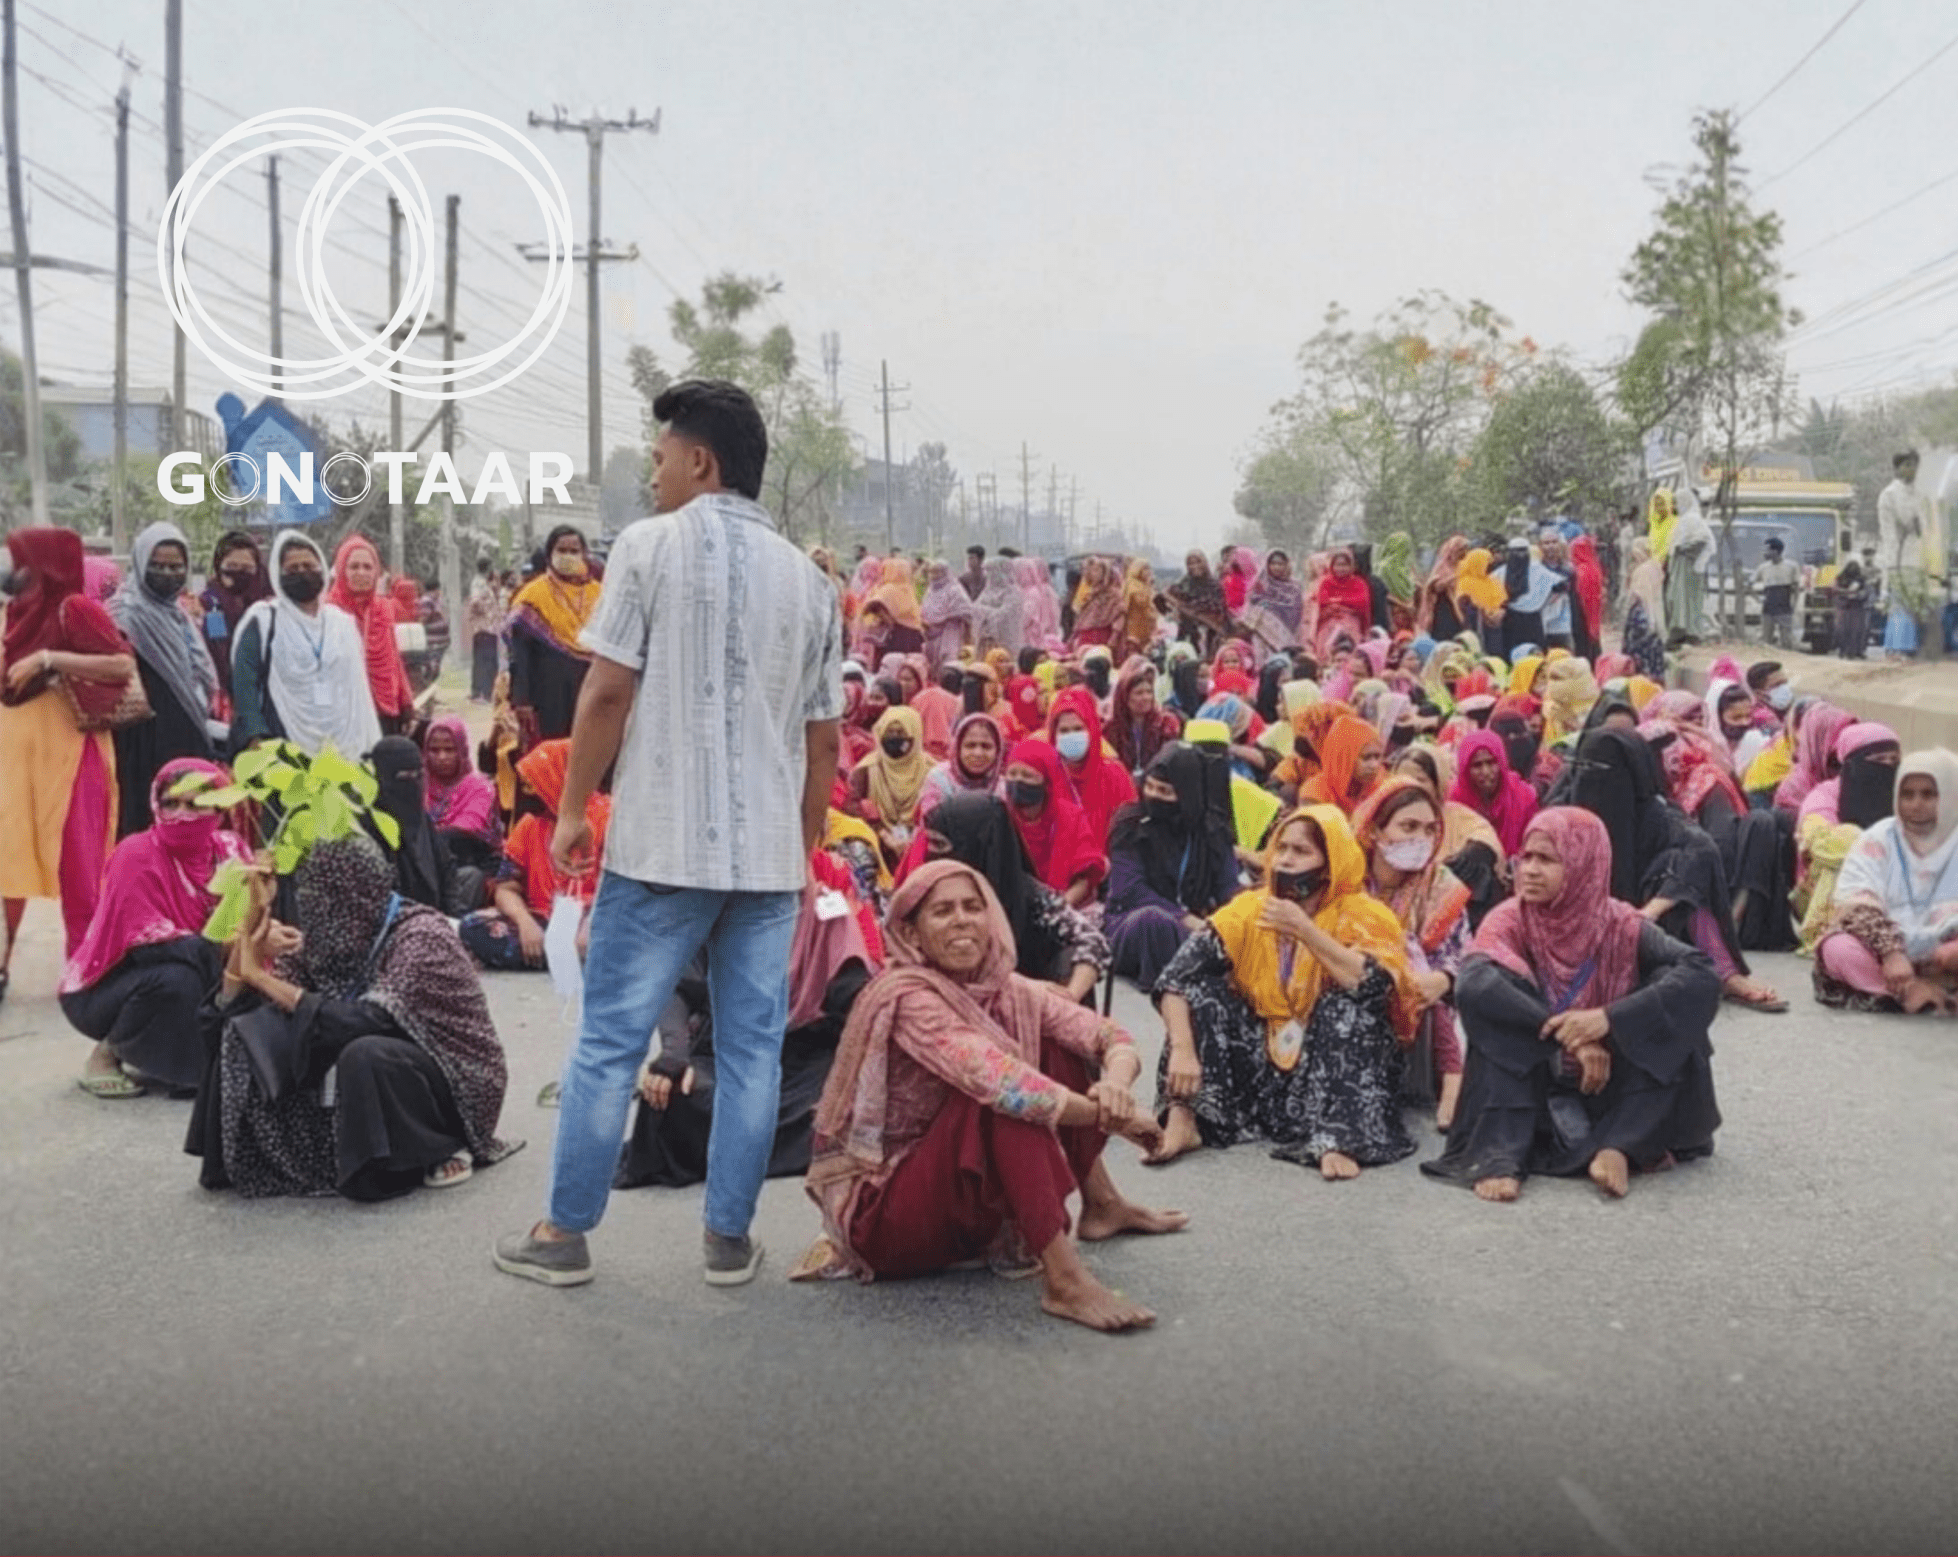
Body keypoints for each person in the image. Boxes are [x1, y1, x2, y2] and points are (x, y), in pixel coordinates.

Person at [495, 378, 843, 1290]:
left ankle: (564, 1236)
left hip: (660, 850)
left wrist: (571, 811)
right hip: (766, 858)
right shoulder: (812, 582)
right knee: (755, 1048)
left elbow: (605, 692)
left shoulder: (647, 550)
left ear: (701, 460)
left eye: (659, 459)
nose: (651, 477)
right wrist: (802, 850)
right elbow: (823, 737)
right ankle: (728, 1240)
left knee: (610, 1039)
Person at [799, 861, 1180, 1329]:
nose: (962, 920)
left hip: (955, 1194)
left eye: (973, 907)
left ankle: (1101, 1205)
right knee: (1007, 1100)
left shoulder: (1007, 988)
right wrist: (1115, 1119)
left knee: (1055, 1049)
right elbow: (1005, 1087)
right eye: (942, 911)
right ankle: (1065, 1282)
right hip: (887, 1215)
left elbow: (1106, 1034)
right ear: (912, 935)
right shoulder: (908, 999)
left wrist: (1117, 1087)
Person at [186, 834, 521, 1201]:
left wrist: (261, 977)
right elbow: (245, 1016)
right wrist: (249, 937)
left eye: (327, 897)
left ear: (362, 894)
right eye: (309, 895)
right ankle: (268, 1159)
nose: (315, 907)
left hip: (451, 1078)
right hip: (362, 1062)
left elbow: (364, 1021)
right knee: (249, 1032)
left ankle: (439, 1146)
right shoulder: (328, 933)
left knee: (366, 1054)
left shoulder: (421, 935)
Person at [1421, 808, 1722, 1201]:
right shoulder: (1510, 919)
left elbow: (1702, 973)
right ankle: (1500, 1156)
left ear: (1584, 865)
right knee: (1493, 998)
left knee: (1675, 1000)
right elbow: (1474, 985)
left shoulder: (1619, 924)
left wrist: (1609, 1020)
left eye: (1546, 860)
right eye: (1525, 857)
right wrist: (1570, 1036)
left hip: (1611, 1079)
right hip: (1536, 1081)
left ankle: (1618, 1145)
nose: (1528, 870)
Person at [1148, 804, 1417, 1177]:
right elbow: (1176, 978)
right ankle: (1185, 1119)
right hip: (1268, 1061)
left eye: (1302, 852)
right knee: (1202, 993)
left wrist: (1306, 930)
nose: (1286, 861)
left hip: (1335, 1070)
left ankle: (1338, 1139)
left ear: (1329, 863)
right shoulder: (1250, 909)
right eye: (1282, 849)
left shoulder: (1363, 914)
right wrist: (1182, 1049)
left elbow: (1372, 985)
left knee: (1345, 1007)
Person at [60, 759, 247, 1098]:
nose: (181, 814)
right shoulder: (136, 854)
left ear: (219, 807)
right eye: (170, 803)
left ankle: (191, 1060)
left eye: (195, 804)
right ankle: (107, 1053)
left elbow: (246, 926)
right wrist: (227, 951)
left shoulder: (231, 851)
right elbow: (148, 945)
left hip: (200, 967)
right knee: (178, 976)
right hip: (107, 989)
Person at [1563, 726, 1784, 1011]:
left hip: (1645, 922)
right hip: (1577, 923)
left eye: (1602, 769)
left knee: (1679, 867)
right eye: (1582, 767)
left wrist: (1650, 911)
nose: (1589, 779)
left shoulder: (1656, 814)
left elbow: (1701, 849)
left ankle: (1725, 973)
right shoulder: (1565, 810)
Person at [1, 527, 137, 987]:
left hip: (71, 755)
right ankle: (5, 961)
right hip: (17, 759)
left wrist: (48, 660)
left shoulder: (74, 607)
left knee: (78, 864)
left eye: (22, 562)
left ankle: (88, 965)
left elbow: (121, 664)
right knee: (11, 856)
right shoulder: (14, 612)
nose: (15, 573)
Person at [899, 791, 1110, 998]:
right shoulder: (924, 890)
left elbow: (1091, 940)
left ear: (980, 846)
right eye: (932, 845)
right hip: (941, 1000)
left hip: (1019, 1004)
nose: (932, 856)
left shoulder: (1029, 895)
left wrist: (1069, 995)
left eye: (941, 845)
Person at [1354, 779, 1470, 1128]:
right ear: (1375, 831)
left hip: (1425, 1005)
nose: (1420, 838)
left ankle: (1453, 1079)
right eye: (1408, 826)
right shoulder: (1348, 880)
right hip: (1362, 983)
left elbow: (1465, 950)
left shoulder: (1441, 884)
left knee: (1421, 967)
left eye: (1430, 829)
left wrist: (1444, 978)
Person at [1813, 750, 1958, 1014]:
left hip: (1947, 956)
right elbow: (1856, 904)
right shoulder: (1878, 839)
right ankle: (1912, 991)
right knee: (1837, 947)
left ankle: (1929, 991)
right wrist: (1891, 952)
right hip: (1886, 953)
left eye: (1929, 795)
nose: (1916, 805)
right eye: (1907, 794)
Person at [108, 521, 220, 837]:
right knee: (147, 821)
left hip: (187, 733)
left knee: (191, 816)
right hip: (143, 739)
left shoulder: (179, 614)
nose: (168, 573)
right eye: (157, 565)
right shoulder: (124, 612)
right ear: (141, 563)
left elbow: (197, 672)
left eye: (176, 566)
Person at [459, 738, 609, 971]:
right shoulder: (529, 826)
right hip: (544, 920)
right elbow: (505, 888)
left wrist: (590, 923)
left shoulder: (606, 816)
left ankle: (558, 955)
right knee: (473, 925)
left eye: (534, 784)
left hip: (596, 918)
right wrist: (526, 923)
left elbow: (618, 887)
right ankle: (564, 956)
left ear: (559, 778)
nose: (528, 792)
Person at [229, 532, 381, 759]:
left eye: (309, 566)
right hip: (282, 744)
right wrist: (255, 736)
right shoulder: (263, 620)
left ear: (322, 568)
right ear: (278, 575)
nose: (302, 573)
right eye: (293, 569)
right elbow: (245, 683)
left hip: (343, 746)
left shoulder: (342, 623)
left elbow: (358, 690)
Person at [1104, 744, 1240, 988]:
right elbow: (1130, 890)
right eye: (1150, 787)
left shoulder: (1211, 828)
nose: (1154, 797)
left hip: (1199, 924)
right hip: (1132, 922)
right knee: (1153, 922)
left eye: (1165, 791)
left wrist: (1242, 917)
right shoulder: (1131, 822)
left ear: (1188, 794)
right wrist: (1186, 920)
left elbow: (1228, 887)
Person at [507, 525, 601, 746]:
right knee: (551, 756)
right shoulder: (532, 595)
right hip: (547, 693)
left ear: (584, 554)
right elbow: (520, 655)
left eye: (574, 550)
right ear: (550, 554)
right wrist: (522, 700)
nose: (568, 556)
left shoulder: (600, 593)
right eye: (562, 550)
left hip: (591, 688)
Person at [370, 735, 482, 919]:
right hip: (393, 925)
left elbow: (447, 869)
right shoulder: (370, 827)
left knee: (471, 878)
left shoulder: (421, 820)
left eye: (419, 775)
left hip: (434, 919)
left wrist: (449, 919)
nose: (413, 784)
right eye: (405, 777)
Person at [324, 536, 414, 736]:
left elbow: (394, 660)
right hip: (344, 716)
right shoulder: (328, 612)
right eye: (354, 567)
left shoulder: (384, 609)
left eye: (368, 567)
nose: (361, 573)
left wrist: (406, 703)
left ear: (376, 572)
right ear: (341, 570)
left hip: (385, 711)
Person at [1003, 738, 1106, 907]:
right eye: (1012, 774)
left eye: (1028, 775)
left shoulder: (1070, 817)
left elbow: (1085, 876)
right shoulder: (1001, 816)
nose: (1018, 781)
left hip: (1065, 906)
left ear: (1047, 782)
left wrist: (1059, 907)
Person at [1044, 686, 1137, 844]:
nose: (1072, 736)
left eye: (1078, 728)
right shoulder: (1046, 777)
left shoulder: (1115, 775)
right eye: (1064, 731)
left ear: (1092, 729)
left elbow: (1129, 832)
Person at [847, 706, 933, 868]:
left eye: (901, 733)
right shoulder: (866, 770)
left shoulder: (932, 771)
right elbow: (852, 809)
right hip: (877, 851)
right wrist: (884, 835)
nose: (894, 738)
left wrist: (913, 840)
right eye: (890, 733)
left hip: (921, 849)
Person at [197, 530, 271, 705]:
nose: (239, 574)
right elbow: (219, 653)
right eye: (231, 567)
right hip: (229, 698)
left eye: (246, 569)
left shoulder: (269, 603)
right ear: (218, 566)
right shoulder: (212, 605)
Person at [422, 714, 501, 868]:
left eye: (450, 749)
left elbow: (468, 829)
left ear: (463, 750)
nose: (442, 757)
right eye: (434, 750)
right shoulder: (420, 785)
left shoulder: (479, 787)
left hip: (472, 863)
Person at [1449, 729, 1538, 857]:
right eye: (1477, 765)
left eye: (1491, 762)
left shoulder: (1523, 796)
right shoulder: (1455, 801)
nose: (1485, 772)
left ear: (1502, 763)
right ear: (1465, 769)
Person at [1877, 450, 1927, 660]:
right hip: (1897, 556)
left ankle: (1906, 647)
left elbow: (1924, 526)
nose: (1911, 469)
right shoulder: (1890, 493)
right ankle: (1896, 648)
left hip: (1916, 557)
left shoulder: (1918, 492)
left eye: (1914, 464)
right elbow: (1907, 520)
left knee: (1913, 604)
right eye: (1906, 464)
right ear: (1897, 468)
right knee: (1900, 603)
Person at [1107, 656, 1181, 781]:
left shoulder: (1166, 724)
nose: (1146, 697)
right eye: (1139, 693)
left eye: (1149, 692)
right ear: (1125, 697)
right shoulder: (1111, 728)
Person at [1298, 714, 1385, 819]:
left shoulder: (1381, 786)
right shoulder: (1315, 793)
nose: (1374, 765)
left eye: (1377, 757)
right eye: (1366, 758)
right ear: (1344, 757)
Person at [920, 711, 1006, 815]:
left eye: (986, 746)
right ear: (957, 748)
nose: (978, 753)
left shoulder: (1002, 788)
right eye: (970, 745)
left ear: (997, 751)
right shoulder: (940, 780)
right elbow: (930, 824)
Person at [1162, 549, 1234, 656]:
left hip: (1211, 634)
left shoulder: (1215, 585)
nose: (1194, 566)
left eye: (1198, 562)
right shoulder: (1184, 583)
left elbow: (1220, 613)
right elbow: (1165, 596)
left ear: (1204, 562)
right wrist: (1177, 611)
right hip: (1188, 633)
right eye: (1190, 563)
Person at [1313, 547, 1373, 657]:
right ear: (1332, 566)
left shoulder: (1359, 583)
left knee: (1350, 642)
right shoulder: (1326, 582)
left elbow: (1361, 602)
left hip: (1351, 620)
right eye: (1338, 565)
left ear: (1351, 566)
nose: (1341, 568)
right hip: (1329, 619)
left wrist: (1338, 602)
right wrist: (1346, 604)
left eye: (1345, 565)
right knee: (1326, 644)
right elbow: (1323, 601)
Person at [919, 560, 975, 671]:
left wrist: (948, 616)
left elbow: (966, 611)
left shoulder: (954, 589)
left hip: (950, 632)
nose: (934, 576)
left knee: (948, 664)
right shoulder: (930, 591)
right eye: (932, 572)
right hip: (930, 635)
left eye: (937, 572)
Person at [465, 556, 501, 703]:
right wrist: (486, 613)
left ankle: (481, 692)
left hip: (487, 628)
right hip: (484, 627)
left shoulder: (484, 583)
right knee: (486, 661)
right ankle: (482, 693)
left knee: (486, 660)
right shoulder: (479, 583)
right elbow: (475, 601)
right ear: (488, 567)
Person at [1753, 537, 1800, 650]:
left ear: (1776, 551)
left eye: (1767, 549)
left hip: (1784, 605)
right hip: (1768, 606)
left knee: (1786, 639)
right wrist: (1758, 599)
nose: (1765, 552)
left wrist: (1794, 605)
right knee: (1766, 640)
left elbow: (1796, 588)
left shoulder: (1791, 566)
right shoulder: (1763, 567)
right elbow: (1750, 585)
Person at [972, 556, 1025, 654]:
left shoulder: (1013, 592)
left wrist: (984, 611)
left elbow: (1004, 615)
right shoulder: (987, 591)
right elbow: (974, 609)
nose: (987, 575)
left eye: (990, 571)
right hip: (985, 641)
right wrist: (989, 611)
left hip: (1005, 642)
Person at [1069, 556, 1124, 651]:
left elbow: (1119, 615)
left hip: (1103, 636)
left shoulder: (1113, 594)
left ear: (1105, 572)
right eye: (1090, 570)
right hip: (1085, 638)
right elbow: (1081, 618)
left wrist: (1114, 637)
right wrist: (1073, 636)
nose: (1092, 573)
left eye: (1096, 570)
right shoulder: (1088, 593)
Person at [1833, 552, 1873, 659]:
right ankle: (1850, 652)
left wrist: (1851, 596)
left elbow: (1866, 592)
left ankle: (1849, 651)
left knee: (1849, 631)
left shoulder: (1844, 578)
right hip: (1852, 609)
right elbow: (1835, 592)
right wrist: (1850, 596)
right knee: (1852, 631)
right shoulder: (1854, 579)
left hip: (1849, 608)